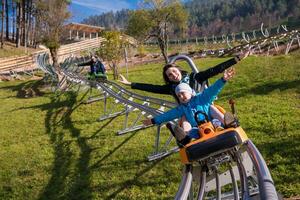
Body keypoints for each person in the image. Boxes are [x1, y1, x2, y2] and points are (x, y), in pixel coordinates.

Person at [142, 68, 235, 144]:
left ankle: (227, 124)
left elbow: (213, 90)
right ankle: (187, 138)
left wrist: (223, 80)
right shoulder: (181, 108)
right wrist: (153, 120)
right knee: (185, 121)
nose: (181, 96)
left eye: (183, 93)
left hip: (213, 123)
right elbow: (168, 115)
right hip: (198, 129)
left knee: (212, 109)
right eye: (179, 96)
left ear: (190, 92)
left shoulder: (202, 98)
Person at [119, 52, 248, 102]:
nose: (173, 75)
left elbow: (215, 69)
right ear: (168, 78)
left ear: (179, 70)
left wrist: (236, 59)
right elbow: (151, 88)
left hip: (206, 105)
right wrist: (130, 83)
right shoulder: (171, 88)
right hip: (189, 112)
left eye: (174, 71)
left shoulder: (195, 77)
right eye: (170, 75)